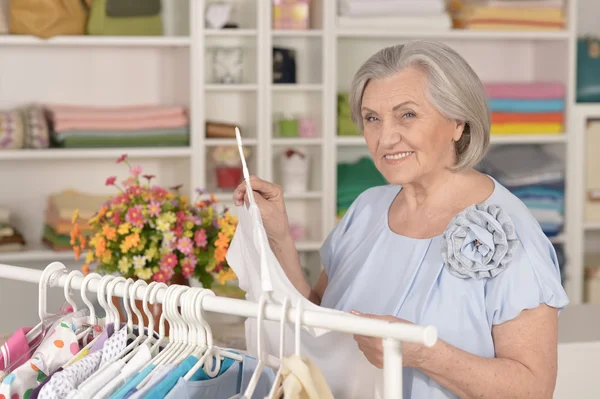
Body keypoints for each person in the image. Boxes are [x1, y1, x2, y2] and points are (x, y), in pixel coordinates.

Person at [233, 40, 569, 399]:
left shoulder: (509, 234)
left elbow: (534, 389)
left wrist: (422, 353)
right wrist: (280, 237)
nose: (386, 137)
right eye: (372, 118)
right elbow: (320, 327)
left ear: (458, 122)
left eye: (407, 114)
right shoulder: (366, 211)